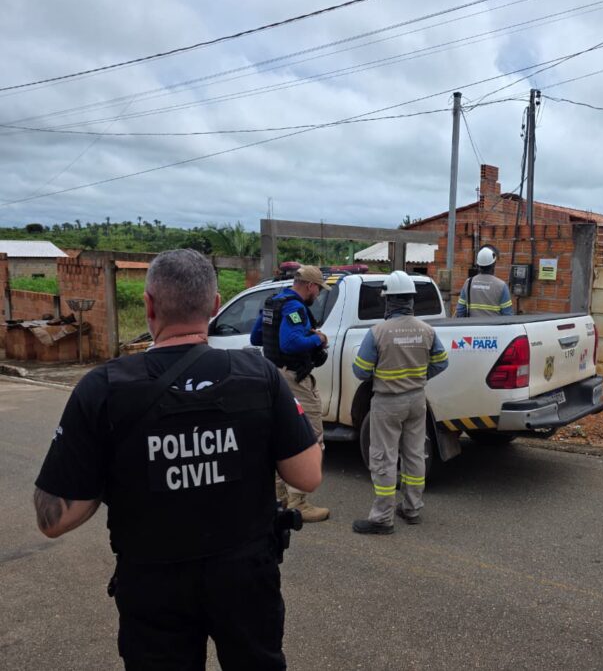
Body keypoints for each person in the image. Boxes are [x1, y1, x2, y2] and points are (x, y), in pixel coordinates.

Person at [33, 249, 323, 670]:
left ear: (149, 304)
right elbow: (308, 476)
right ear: (214, 304)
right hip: (245, 576)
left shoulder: (104, 388)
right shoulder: (258, 376)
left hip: (153, 583)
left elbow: (53, 519)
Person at [351, 271, 448, 534]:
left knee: (383, 457)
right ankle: (412, 508)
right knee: (415, 454)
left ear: (388, 301)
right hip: (417, 400)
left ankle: (382, 518)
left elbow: (360, 371)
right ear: (411, 301)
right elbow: (442, 362)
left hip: (387, 402)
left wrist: (382, 372)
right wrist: (418, 375)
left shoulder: (378, 332)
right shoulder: (427, 330)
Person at [251, 265, 331, 523]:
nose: (317, 295)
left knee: (280, 433)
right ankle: (299, 502)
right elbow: (290, 343)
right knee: (311, 434)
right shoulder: (295, 308)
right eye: (318, 289)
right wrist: (318, 339)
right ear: (309, 285)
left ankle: (280, 495)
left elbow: (256, 337)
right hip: (293, 378)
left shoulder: (272, 302)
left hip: (273, 374)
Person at [455, 246, 514, 317]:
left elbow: (460, 311)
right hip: (494, 327)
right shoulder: (501, 286)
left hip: (472, 327)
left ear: (478, 264)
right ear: (494, 264)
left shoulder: (468, 283)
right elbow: (508, 315)